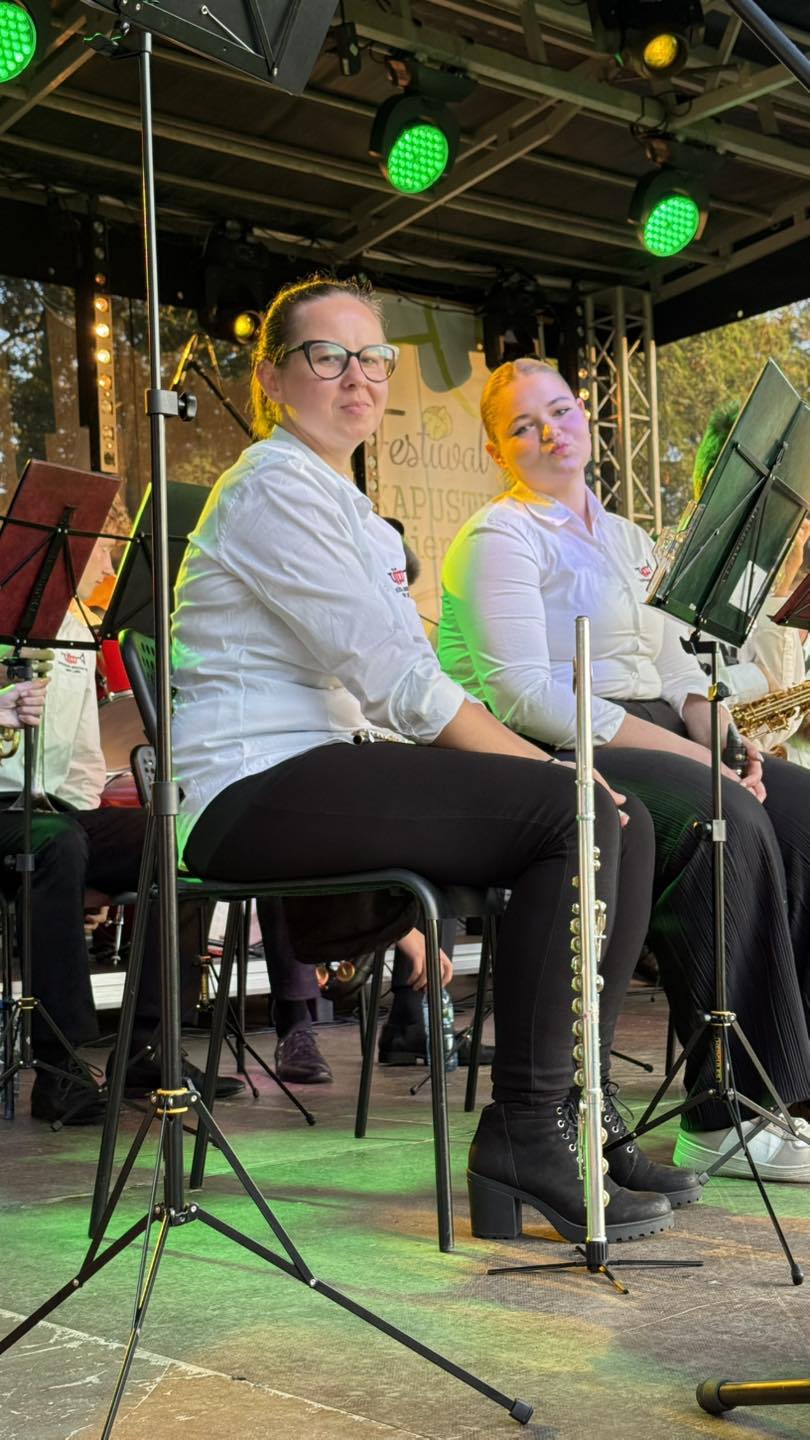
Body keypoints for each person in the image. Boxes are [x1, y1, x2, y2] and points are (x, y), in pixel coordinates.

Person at [171, 274, 698, 1247]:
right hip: (249, 785)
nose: (358, 377)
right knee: (575, 809)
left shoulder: (346, 504)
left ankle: (575, 1113)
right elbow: (398, 683)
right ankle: (527, 1132)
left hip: (324, 769)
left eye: (373, 358)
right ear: (272, 379)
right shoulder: (272, 487)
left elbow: (402, 681)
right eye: (328, 356)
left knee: (614, 814)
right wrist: (551, 772)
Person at [438, 355, 810, 1182]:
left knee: (802, 812)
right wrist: (697, 761)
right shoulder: (499, 537)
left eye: (560, 411)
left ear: (585, 417)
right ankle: (727, 1116)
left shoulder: (628, 538)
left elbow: (676, 672)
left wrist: (728, 741)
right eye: (524, 426)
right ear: (498, 451)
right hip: (572, 744)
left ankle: (799, 1087)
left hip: (663, 731)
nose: (549, 432)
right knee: (723, 820)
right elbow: (525, 694)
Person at [0, 530, 242, 1124]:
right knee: (59, 843)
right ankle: (59, 1068)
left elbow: (83, 755)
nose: (108, 558)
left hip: (57, 810)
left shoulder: (77, 632)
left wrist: (92, 847)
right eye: (100, 546)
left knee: (174, 837)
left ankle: (148, 1048)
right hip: (5, 810)